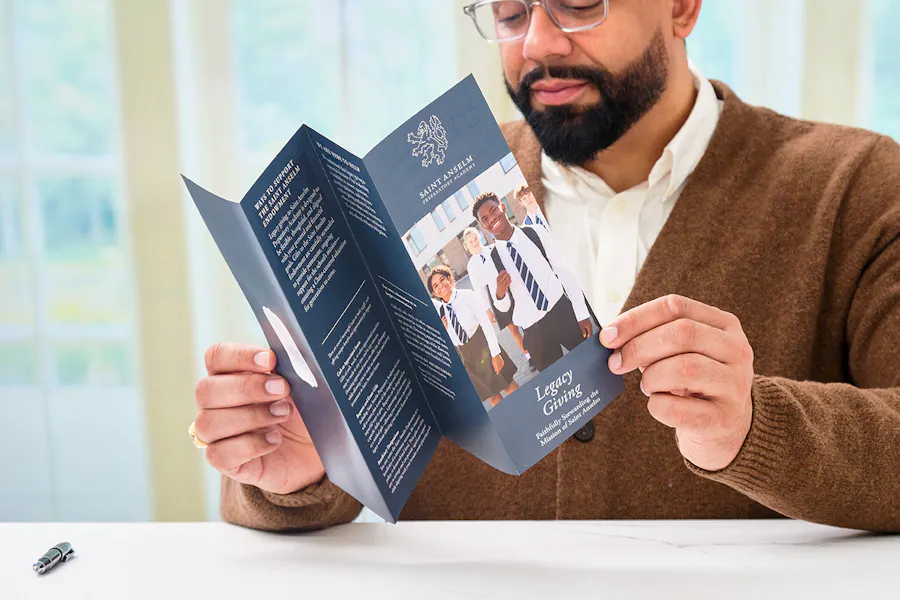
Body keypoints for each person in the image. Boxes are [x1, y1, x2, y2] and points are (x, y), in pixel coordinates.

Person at [191, 0, 900, 532]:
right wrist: (297, 467)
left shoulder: (857, 187)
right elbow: (341, 464)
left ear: (683, 7)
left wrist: (756, 426)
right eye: (509, 12)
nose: (537, 42)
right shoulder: (411, 200)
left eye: (580, 3)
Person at [473, 191, 592, 372]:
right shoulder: (491, 262)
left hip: (562, 313)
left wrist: (581, 312)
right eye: (485, 219)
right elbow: (503, 308)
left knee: (591, 363)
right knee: (560, 385)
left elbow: (564, 272)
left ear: (503, 208)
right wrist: (500, 292)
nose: (491, 219)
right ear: (483, 227)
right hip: (535, 332)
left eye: (493, 210)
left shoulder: (534, 233)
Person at [427, 265, 519, 407]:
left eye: (442, 280)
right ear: (434, 293)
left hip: (483, 347)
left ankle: (529, 410)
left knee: (507, 384)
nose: (441, 286)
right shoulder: (441, 313)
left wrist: (496, 354)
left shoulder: (467, 296)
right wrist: (443, 331)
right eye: (436, 286)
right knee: (492, 397)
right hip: (467, 357)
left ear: (449, 278)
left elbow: (486, 325)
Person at [461, 226, 533, 367]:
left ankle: (536, 349)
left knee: (526, 323)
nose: (474, 242)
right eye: (470, 242)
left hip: (512, 289)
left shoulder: (493, 249)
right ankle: (528, 356)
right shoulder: (472, 266)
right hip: (496, 297)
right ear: (467, 246)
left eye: (475, 238)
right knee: (513, 329)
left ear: (480, 237)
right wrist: (488, 310)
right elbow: (479, 290)